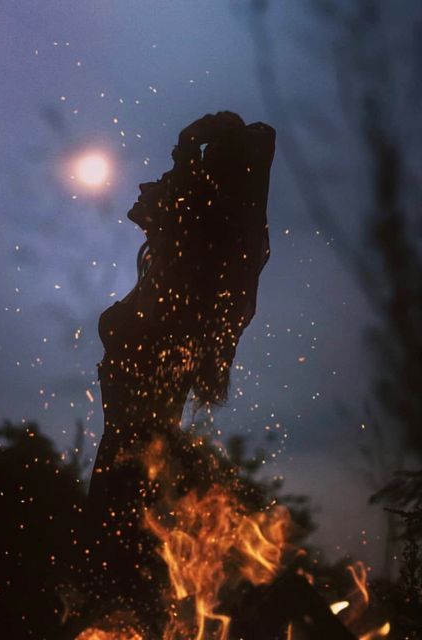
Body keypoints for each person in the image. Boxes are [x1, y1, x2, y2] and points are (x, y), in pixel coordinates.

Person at [82, 112, 275, 634]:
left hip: (135, 458)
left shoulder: (182, 293)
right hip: (129, 456)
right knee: (113, 583)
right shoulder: (171, 279)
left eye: (168, 185)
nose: (148, 189)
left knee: (117, 585)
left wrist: (192, 148)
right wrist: (188, 151)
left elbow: (248, 166)